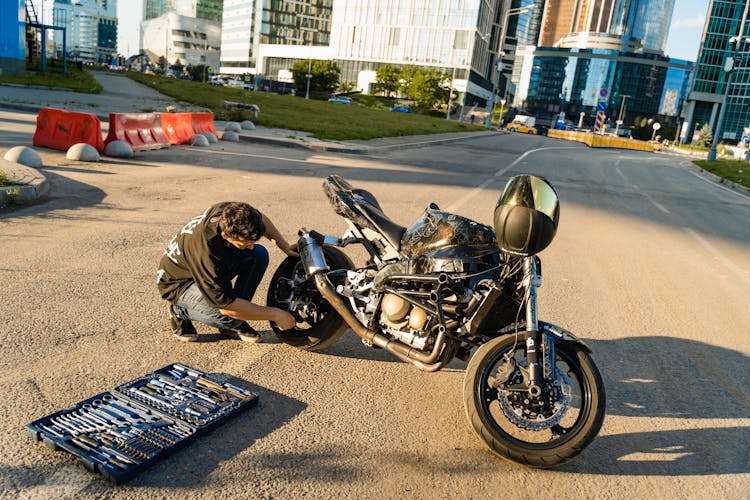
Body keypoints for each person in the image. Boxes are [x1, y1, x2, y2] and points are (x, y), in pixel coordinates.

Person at [157, 202, 298, 343]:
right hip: (179, 284)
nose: (250, 246)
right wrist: (275, 314)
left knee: (258, 254)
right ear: (225, 235)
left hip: (202, 267)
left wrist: (284, 246)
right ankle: (179, 310)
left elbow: (261, 220)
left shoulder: (231, 212)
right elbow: (226, 307)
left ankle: (240, 314)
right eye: (245, 243)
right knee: (229, 317)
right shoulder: (208, 253)